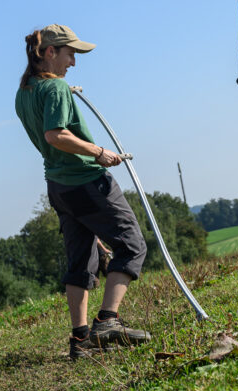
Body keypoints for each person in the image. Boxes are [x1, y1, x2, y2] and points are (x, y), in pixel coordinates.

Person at [14, 24, 152, 360]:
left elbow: (49, 127)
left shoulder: (26, 92)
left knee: (82, 260)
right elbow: (55, 135)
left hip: (58, 186)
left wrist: (66, 97)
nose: (73, 61)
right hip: (86, 180)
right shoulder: (55, 89)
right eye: (69, 53)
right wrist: (98, 152)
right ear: (49, 53)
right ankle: (108, 322)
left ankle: (80, 341)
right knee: (132, 245)